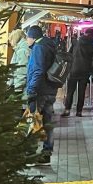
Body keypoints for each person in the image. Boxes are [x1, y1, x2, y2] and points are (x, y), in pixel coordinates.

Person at [23, 25, 59, 165]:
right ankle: (46, 153)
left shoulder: (38, 47)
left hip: (40, 91)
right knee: (48, 123)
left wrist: (31, 89)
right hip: (51, 90)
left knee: (34, 120)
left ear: (32, 37)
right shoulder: (50, 45)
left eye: (27, 37)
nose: (27, 40)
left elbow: (38, 70)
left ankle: (31, 153)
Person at [63, 29, 93, 116]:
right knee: (82, 92)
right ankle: (79, 111)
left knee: (70, 91)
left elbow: (69, 55)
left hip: (74, 70)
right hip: (85, 71)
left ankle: (67, 110)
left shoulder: (75, 42)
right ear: (92, 35)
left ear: (84, 34)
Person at [8, 28, 29, 93]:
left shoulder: (22, 50)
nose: (10, 44)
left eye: (10, 41)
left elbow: (21, 70)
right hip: (23, 85)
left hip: (22, 88)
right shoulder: (20, 49)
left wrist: (18, 88)